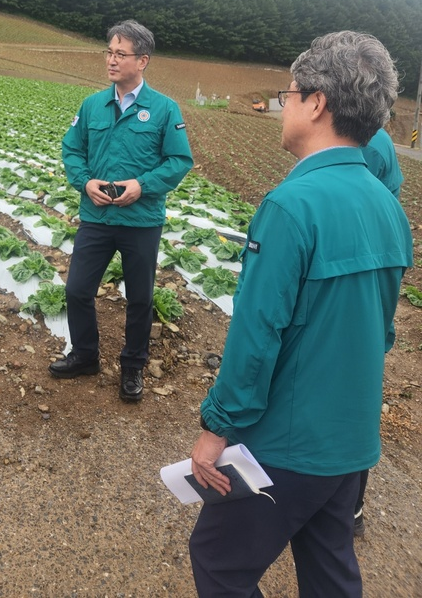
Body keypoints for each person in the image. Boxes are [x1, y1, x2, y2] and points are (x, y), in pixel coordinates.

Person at [188, 31, 412, 596]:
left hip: (288, 443)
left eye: (289, 93)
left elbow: (256, 336)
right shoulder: (388, 205)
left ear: (316, 102)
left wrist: (217, 428)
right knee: (329, 567)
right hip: (351, 439)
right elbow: (380, 331)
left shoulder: (292, 206)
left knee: (219, 562)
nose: (284, 104)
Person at [49, 20, 193, 401]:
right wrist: (85, 182)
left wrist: (141, 186)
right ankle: (85, 354)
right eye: (109, 52)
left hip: (140, 221)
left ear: (142, 60)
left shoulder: (164, 109)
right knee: (77, 289)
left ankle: (132, 366)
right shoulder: (92, 104)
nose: (111, 60)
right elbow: (72, 149)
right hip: (97, 216)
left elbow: (179, 160)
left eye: (120, 54)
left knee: (141, 298)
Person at [354, 126, 404, 537]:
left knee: (344, 395)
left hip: (359, 260)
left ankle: (347, 507)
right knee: (359, 388)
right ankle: (349, 508)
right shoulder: (375, 136)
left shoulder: (365, 144)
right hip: (373, 258)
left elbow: (352, 208)